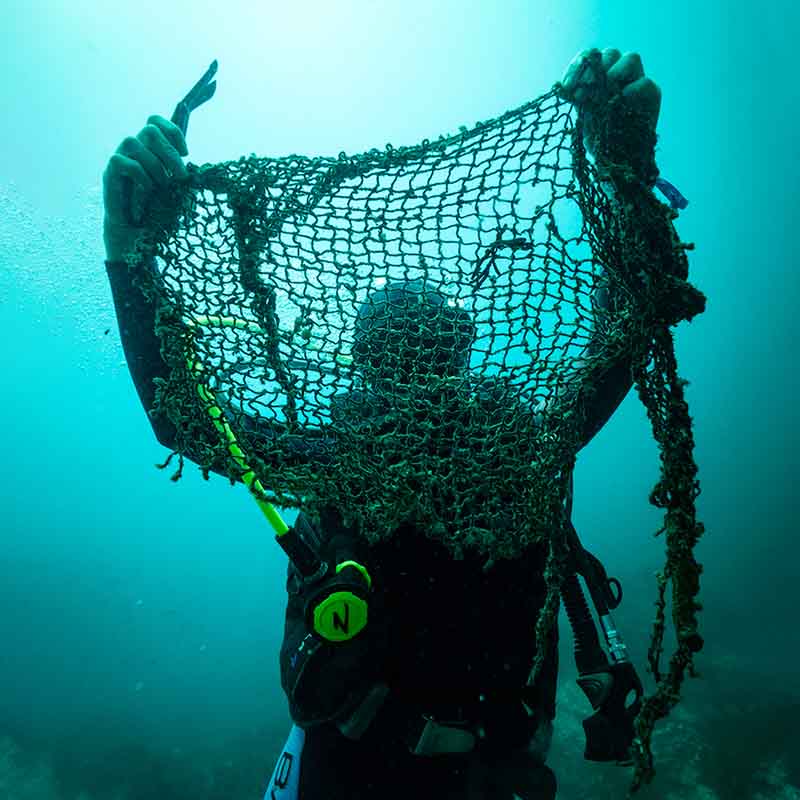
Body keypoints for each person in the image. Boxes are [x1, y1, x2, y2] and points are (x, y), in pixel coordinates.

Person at [102, 48, 663, 799]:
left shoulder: (515, 452)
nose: (416, 378)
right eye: (397, 357)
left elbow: (625, 333)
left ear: (459, 355)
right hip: (356, 768)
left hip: (494, 773)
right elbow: (189, 425)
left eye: (430, 351)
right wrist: (124, 250)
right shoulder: (353, 462)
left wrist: (629, 169)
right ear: (367, 368)